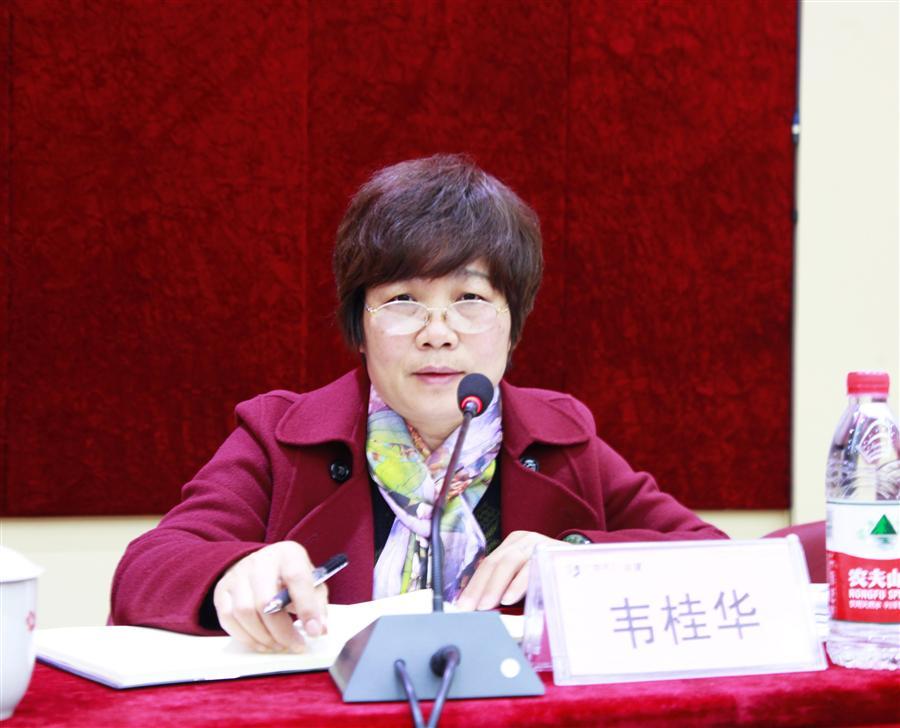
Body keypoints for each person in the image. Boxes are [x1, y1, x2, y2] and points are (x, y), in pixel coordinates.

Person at [111, 154, 727, 653]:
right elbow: (146, 570)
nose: (438, 333)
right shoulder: (279, 435)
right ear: (360, 326)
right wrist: (233, 572)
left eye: (471, 299)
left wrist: (577, 560)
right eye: (403, 300)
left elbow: (715, 559)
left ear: (513, 326)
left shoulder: (561, 438)